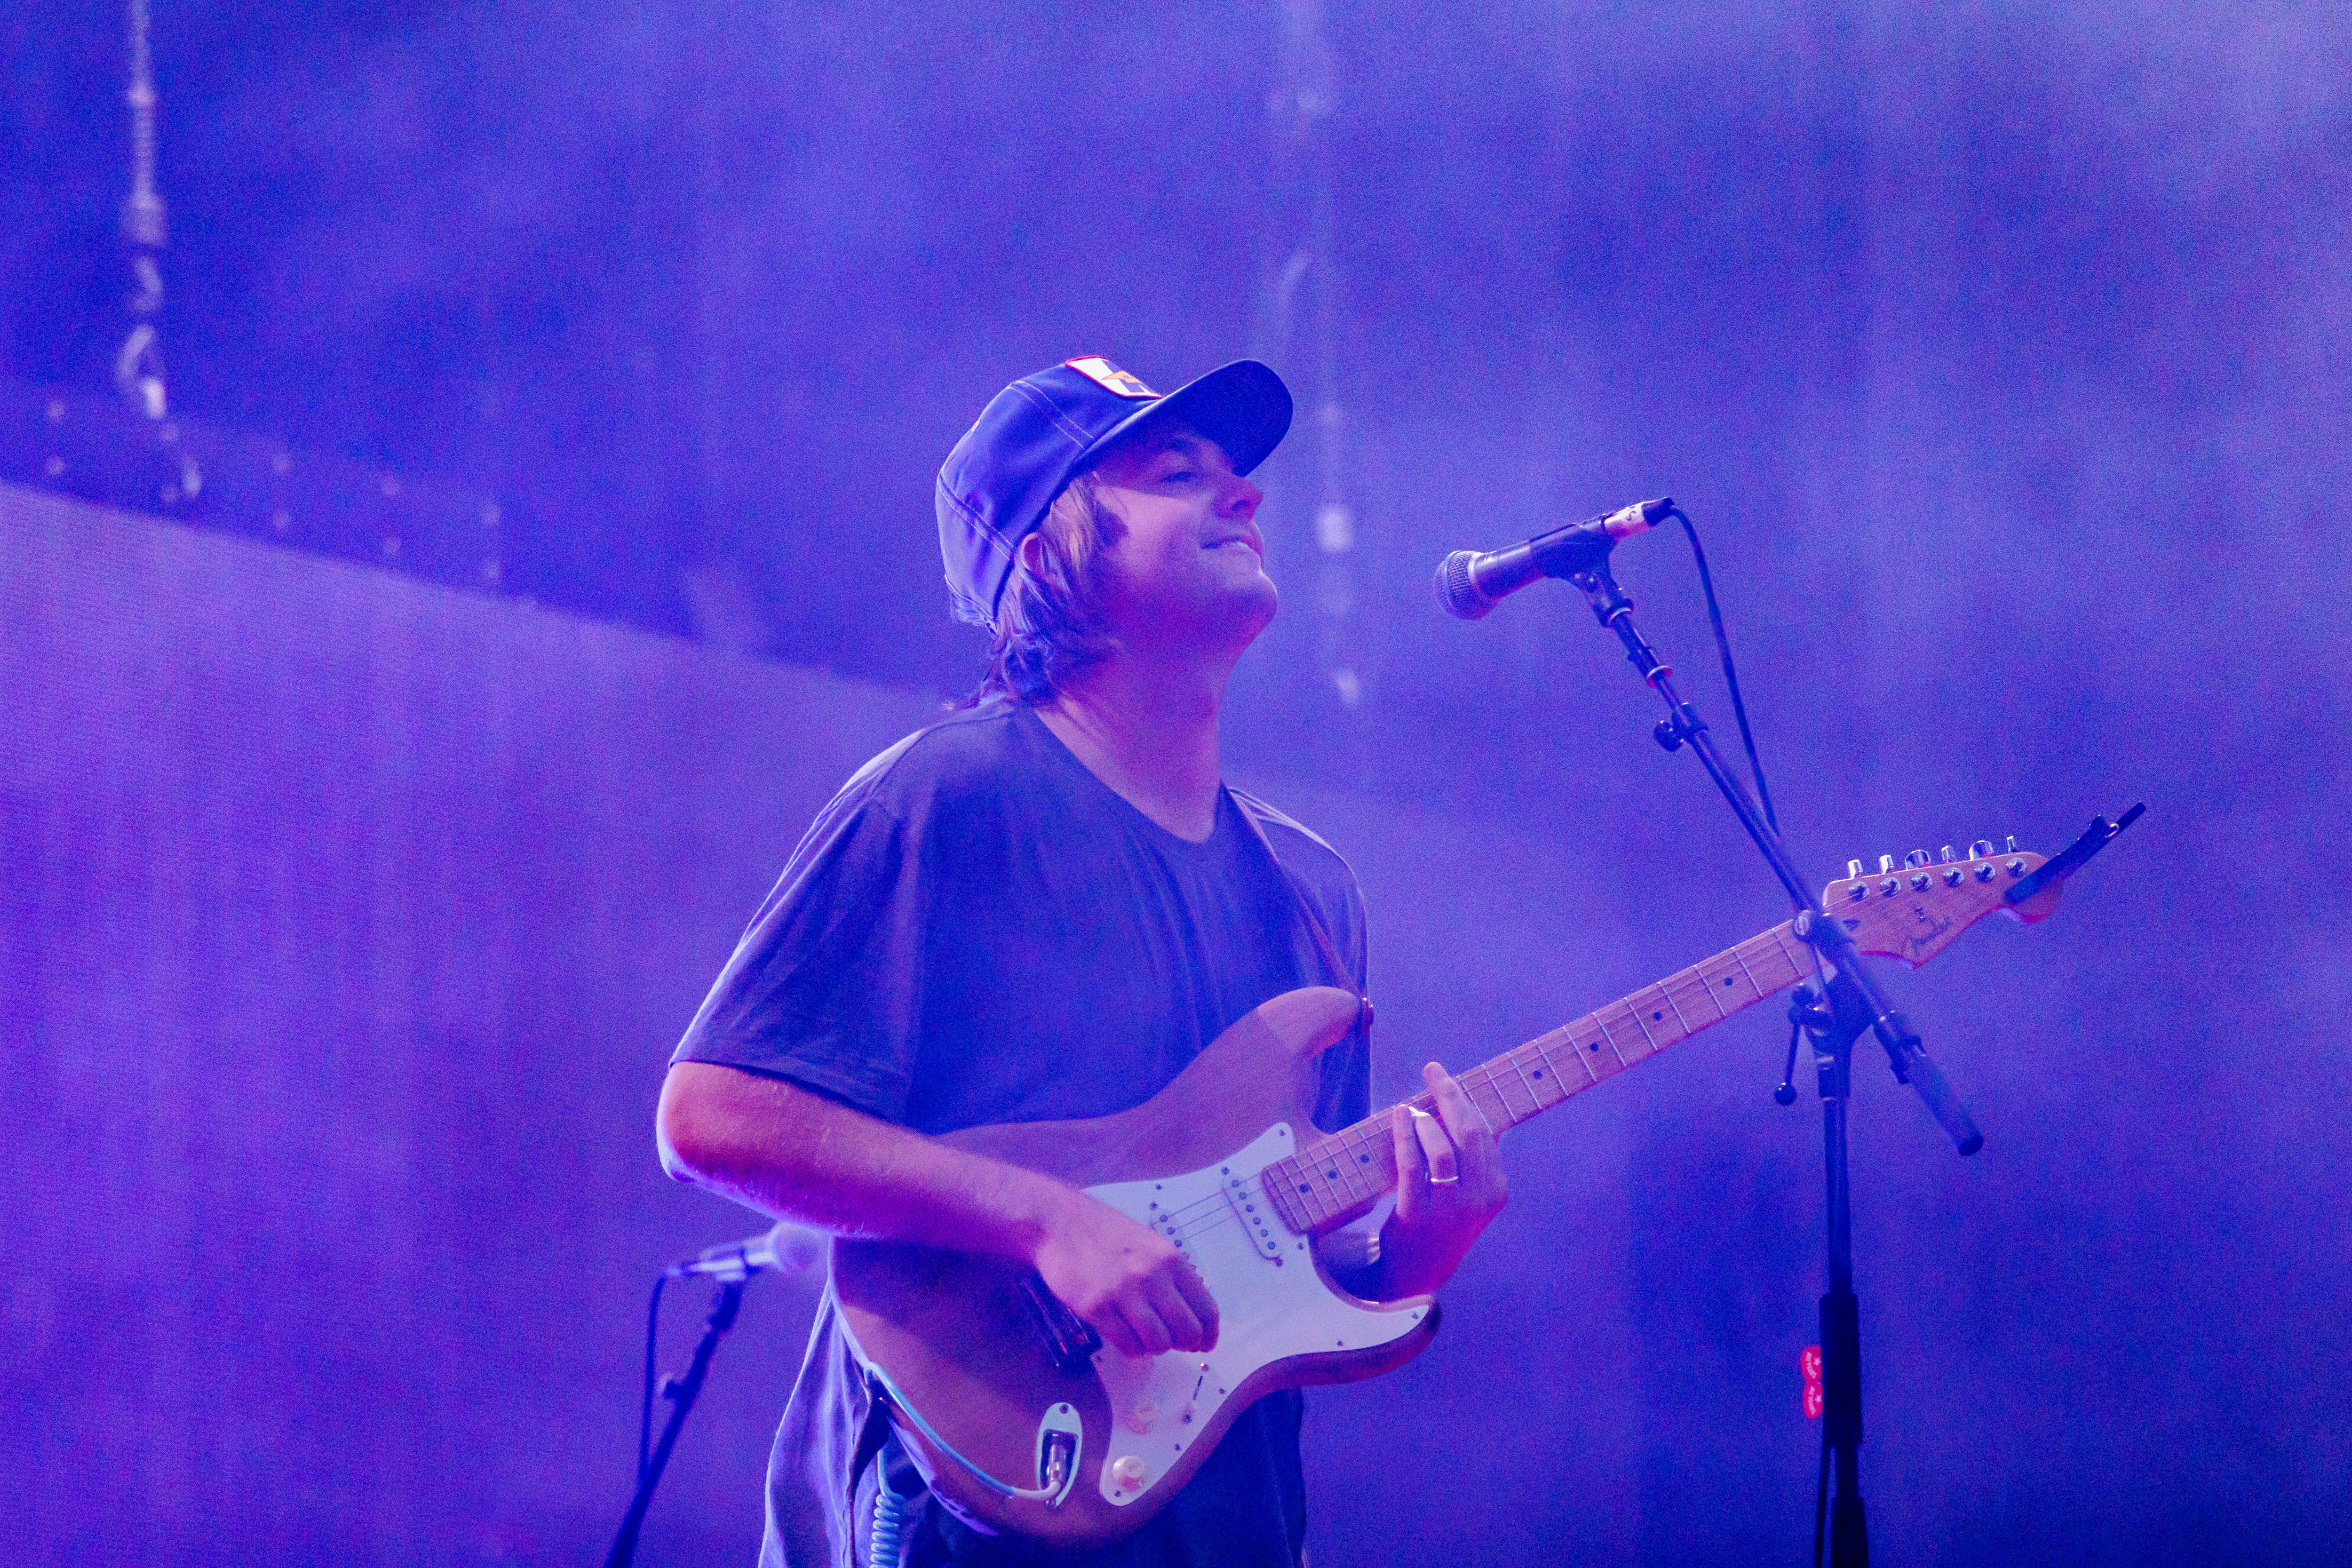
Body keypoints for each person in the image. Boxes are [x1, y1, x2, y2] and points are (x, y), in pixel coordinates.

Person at [656, 355, 1509, 1567]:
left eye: (1235, 474)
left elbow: (1302, 1267)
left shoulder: (1310, 890)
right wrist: (1047, 1218)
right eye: (1174, 473)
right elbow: (710, 1113)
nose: (1245, 494)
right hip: (955, 1521)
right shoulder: (950, 795)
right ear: (1050, 552)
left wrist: (1422, 1246)